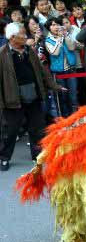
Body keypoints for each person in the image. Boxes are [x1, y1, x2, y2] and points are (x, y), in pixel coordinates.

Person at [0, 22, 62, 171]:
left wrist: (54, 86)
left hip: (33, 95)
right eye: (23, 34)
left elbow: (42, 71)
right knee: (10, 131)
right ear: (13, 37)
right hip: (13, 98)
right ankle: (4, 157)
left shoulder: (30, 50)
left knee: (37, 128)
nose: (26, 36)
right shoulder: (2, 54)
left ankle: (37, 155)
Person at [44, 17, 79, 117]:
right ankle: (65, 119)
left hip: (71, 70)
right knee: (62, 98)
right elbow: (55, 53)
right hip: (58, 73)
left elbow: (72, 47)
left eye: (57, 24)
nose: (56, 27)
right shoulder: (48, 40)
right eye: (53, 25)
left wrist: (65, 36)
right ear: (49, 28)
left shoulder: (65, 35)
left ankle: (75, 117)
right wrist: (59, 39)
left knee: (73, 97)